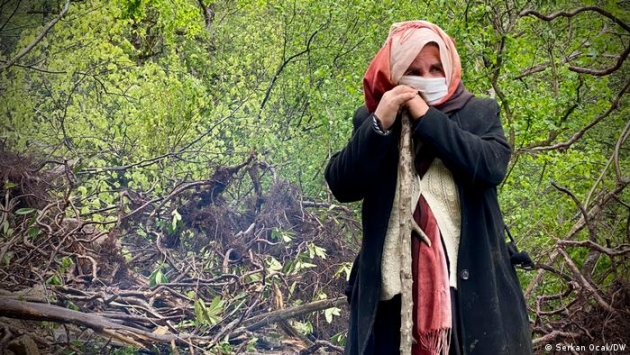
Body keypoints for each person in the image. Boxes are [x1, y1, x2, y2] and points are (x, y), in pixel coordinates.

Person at [325, 20, 532, 355]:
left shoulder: (478, 113)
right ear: (394, 74)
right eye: (414, 70)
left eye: (436, 68)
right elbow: (342, 183)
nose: (427, 78)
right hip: (389, 295)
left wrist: (426, 118)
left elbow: (491, 165)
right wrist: (380, 122)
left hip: (469, 294)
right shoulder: (372, 118)